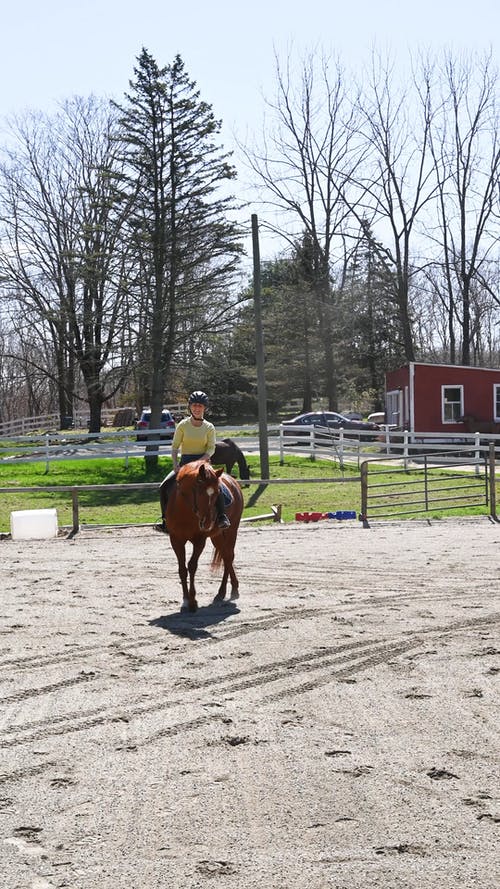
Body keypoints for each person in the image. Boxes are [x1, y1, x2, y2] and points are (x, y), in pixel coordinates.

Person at [156, 390, 231, 532]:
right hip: (185, 462)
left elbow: (211, 449)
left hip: (203, 463)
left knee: (218, 487)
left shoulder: (209, 427)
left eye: (200, 406)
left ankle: (222, 516)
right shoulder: (182, 425)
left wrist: (200, 462)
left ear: (205, 408)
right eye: (195, 405)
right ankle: (166, 520)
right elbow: (175, 447)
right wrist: (175, 465)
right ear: (190, 407)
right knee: (164, 486)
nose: (197, 408)